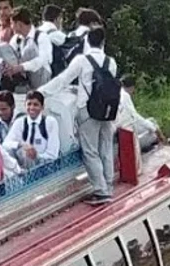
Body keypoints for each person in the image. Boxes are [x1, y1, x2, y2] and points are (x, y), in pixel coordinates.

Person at [42, 26, 118, 204]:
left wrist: (42, 92)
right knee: (105, 148)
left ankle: (100, 190)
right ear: (103, 43)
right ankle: (108, 184)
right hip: (108, 111)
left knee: (90, 151)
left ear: (86, 41)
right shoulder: (111, 62)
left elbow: (63, 80)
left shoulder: (82, 60)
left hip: (88, 110)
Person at [2, 90, 60, 167]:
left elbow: (53, 155)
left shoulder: (50, 122)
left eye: (35, 105)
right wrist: (21, 144)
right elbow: (5, 144)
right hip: (22, 163)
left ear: (42, 107)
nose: (32, 108)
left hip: (43, 164)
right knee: (7, 151)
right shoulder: (20, 122)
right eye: (29, 104)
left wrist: (36, 155)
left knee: (28, 154)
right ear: (25, 105)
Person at [4, 7, 53, 89]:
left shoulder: (41, 37)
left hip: (41, 79)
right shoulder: (16, 39)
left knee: (30, 50)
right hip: (23, 78)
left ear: (19, 24)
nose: (11, 27)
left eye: (12, 24)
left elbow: (44, 59)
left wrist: (22, 67)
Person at [117, 74, 164, 151]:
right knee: (153, 135)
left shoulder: (117, 93)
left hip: (120, 129)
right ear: (132, 87)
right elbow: (135, 117)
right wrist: (155, 130)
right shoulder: (124, 96)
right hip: (124, 134)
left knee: (152, 121)